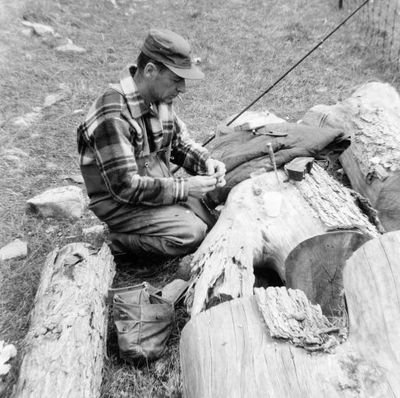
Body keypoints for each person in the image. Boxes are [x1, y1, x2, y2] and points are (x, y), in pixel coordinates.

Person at [77, 28, 226, 261]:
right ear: (150, 71)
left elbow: (178, 142)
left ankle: (170, 215)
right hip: (120, 204)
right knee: (192, 233)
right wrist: (185, 188)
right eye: (177, 79)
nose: (183, 88)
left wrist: (206, 161)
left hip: (154, 187)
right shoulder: (113, 114)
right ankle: (117, 241)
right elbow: (125, 188)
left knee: (213, 220)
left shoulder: (159, 98)